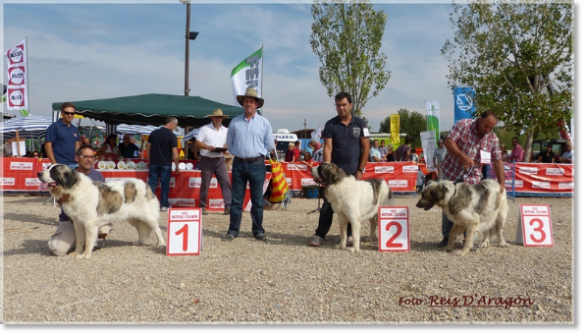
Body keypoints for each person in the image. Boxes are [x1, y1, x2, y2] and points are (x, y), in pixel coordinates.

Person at [309, 92, 370, 247]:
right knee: (328, 204)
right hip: (335, 175)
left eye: (344, 105)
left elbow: (366, 148)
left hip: (352, 172)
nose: (341, 108)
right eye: (338, 105)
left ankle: (350, 236)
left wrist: (361, 170)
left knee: (351, 204)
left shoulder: (361, 124)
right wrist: (326, 171)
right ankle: (320, 235)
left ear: (350, 105)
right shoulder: (330, 125)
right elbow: (327, 147)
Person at [437, 110, 505, 247]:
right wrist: (463, 157)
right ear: (480, 120)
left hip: (473, 178)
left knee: (472, 208)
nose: (488, 130)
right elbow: (449, 142)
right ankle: (446, 237)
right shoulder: (463, 125)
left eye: (491, 127)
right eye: (486, 126)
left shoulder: (493, 139)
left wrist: (501, 183)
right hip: (452, 173)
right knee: (449, 204)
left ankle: (468, 239)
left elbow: (497, 161)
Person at [225, 88, 274, 241]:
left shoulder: (264, 123)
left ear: (257, 104)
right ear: (243, 103)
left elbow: (270, 145)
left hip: (257, 164)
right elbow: (229, 143)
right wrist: (239, 153)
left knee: (258, 200)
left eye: (251, 101)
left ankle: (258, 230)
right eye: (246, 101)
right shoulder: (235, 122)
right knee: (236, 200)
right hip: (239, 163)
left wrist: (258, 154)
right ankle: (233, 230)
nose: (248, 104)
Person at [47, 145, 113, 256]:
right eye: (85, 156)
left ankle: (90, 238)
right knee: (57, 250)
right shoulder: (66, 176)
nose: (89, 160)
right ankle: (73, 239)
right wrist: (70, 196)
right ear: (77, 158)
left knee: (102, 227)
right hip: (70, 219)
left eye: (92, 157)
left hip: (91, 216)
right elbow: (58, 200)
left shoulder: (98, 176)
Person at [194, 108, 233, 215]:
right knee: (205, 184)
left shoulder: (226, 130)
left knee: (225, 182)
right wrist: (207, 147)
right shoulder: (204, 129)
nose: (218, 119)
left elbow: (229, 143)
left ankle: (228, 206)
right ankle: (202, 206)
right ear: (212, 118)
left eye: (220, 117)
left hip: (219, 159)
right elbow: (197, 143)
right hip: (207, 159)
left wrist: (226, 147)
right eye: (216, 117)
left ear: (222, 118)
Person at [146, 117, 181, 212]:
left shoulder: (154, 133)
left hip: (154, 163)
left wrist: (149, 160)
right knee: (165, 185)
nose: (175, 128)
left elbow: (148, 148)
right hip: (166, 164)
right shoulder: (172, 136)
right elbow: (175, 153)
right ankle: (164, 205)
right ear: (172, 124)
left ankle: (149, 205)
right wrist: (177, 166)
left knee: (151, 184)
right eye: (175, 126)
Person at [45, 102, 81, 168]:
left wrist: (79, 160)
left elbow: (77, 145)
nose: (69, 115)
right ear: (62, 113)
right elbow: (48, 145)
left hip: (75, 164)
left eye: (72, 113)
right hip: (61, 164)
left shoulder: (74, 129)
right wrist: (54, 163)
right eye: (67, 113)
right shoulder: (54, 127)